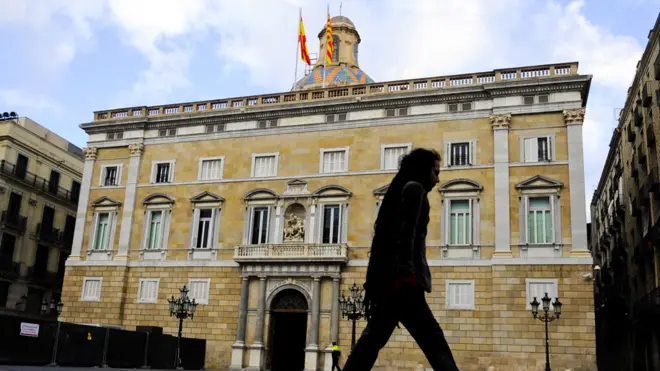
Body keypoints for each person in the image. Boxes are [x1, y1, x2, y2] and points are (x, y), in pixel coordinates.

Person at [342, 148, 460, 371]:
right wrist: (407, 275)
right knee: (433, 339)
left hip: (392, 282)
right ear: (424, 170)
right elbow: (406, 236)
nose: (438, 178)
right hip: (404, 284)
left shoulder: (403, 190)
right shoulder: (415, 190)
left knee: (372, 339)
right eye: (435, 172)